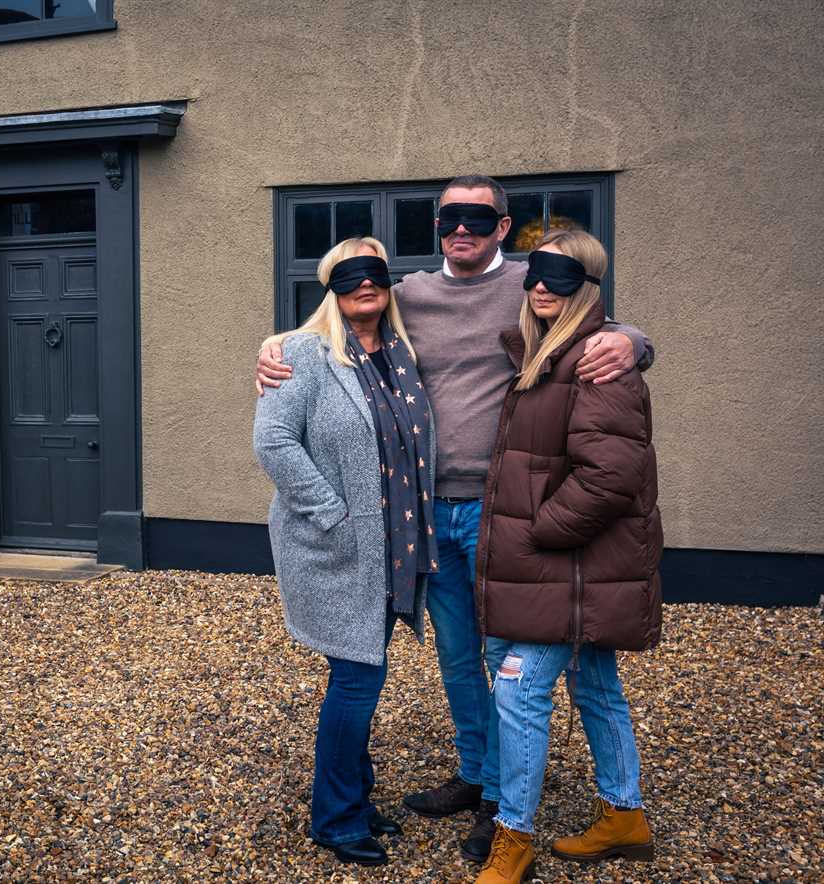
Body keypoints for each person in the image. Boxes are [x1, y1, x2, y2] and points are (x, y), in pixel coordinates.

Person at [256, 175, 653, 862]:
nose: (461, 230)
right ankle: (476, 775)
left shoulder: (537, 281)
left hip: (504, 512)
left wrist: (638, 342)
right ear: (436, 226)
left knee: (504, 656)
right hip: (427, 514)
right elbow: (332, 322)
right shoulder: (405, 295)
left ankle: (502, 799)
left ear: (503, 226)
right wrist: (273, 348)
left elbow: (598, 324)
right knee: (457, 658)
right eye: (449, 219)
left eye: (478, 218)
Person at [473, 229, 661, 884]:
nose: (544, 285)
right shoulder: (541, 355)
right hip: (563, 568)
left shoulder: (595, 363)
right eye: (537, 273)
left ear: (589, 287)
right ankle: (625, 816)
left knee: (520, 693)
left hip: (564, 566)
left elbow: (611, 475)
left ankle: (514, 839)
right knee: (597, 685)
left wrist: (540, 531)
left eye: (562, 275)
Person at [254, 236, 436, 867]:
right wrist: (332, 512)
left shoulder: (402, 355)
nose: (367, 285)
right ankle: (335, 817)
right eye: (351, 276)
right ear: (331, 286)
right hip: (335, 548)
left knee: (360, 669)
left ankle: (354, 796)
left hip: (395, 547)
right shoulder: (303, 352)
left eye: (376, 274)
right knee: (359, 677)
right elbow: (274, 441)